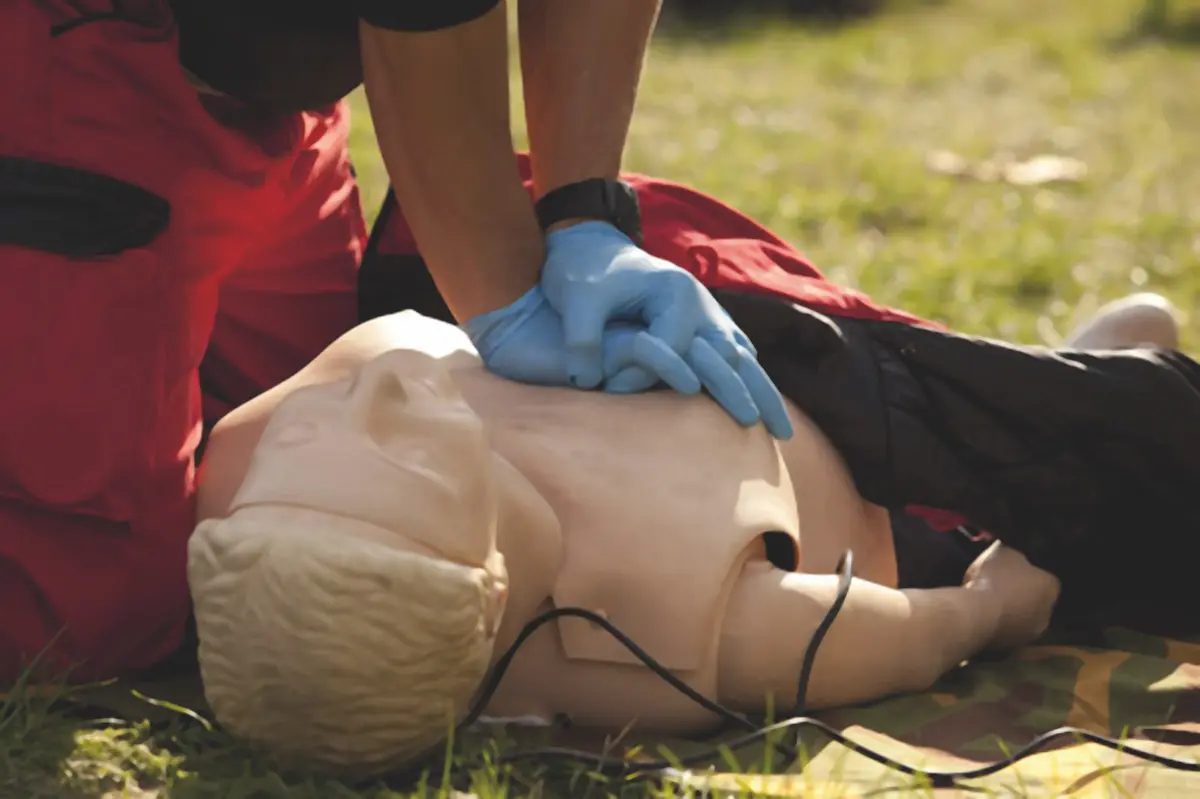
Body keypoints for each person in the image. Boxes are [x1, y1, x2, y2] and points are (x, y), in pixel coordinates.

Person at [0, 0, 783, 686]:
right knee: (79, 621)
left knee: (277, 475)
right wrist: (501, 298)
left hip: (280, 111)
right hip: (77, 64)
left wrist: (585, 212)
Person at [186, 287, 1181, 774]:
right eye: (391, 437)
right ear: (483, 586)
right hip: (885, 470)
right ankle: (1086, 383)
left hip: (729, 331)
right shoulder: (688, 639)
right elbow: (941, 630)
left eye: (312, 431)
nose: (387, 383)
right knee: (1147, 453)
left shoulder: (248, 477)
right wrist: (1005, 598)